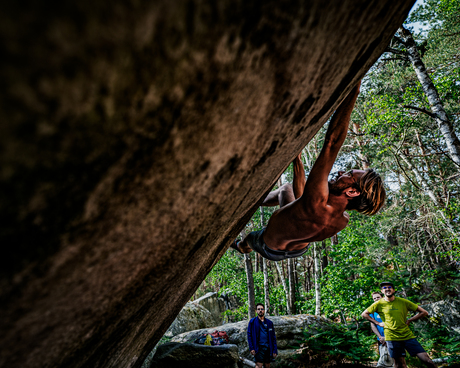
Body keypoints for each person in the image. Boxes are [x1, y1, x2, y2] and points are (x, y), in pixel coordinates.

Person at [231, 82, 386, 261]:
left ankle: (241, 247)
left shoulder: (317, 202)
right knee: (287, 189)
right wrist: (297, 161)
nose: (341, 171)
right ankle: (255, 201)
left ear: (352, 191)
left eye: (349, 174)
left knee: (250, 239)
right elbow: (301, 204)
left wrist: (354, 91)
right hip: (296, 248)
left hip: (269, 246)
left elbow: (332, 142)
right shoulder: (342, 220)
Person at [362, 281, 437, 368]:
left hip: (407, 336)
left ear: (393, 290)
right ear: (382, 291)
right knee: (399, 364)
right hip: (392, 338)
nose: (387, 289)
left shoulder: (403, 302)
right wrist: (378, 323)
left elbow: (424, 312)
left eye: (389, 287)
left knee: (427, 360)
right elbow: (364, 314)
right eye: (384, 288)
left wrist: (409, 320)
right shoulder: (378, 304)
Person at [247, 303, 278, 368]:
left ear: (264, 310)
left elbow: (273, 337)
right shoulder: (252, 322)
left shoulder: (269, 323)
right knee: (258, 366)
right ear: (256, 311)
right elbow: (249, 335)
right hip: (258, 348)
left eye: (262, 309)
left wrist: (274, 350)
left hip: (268, 348)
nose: (260, 310)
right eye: (258, 309)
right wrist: (251, 348)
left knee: (267, 365)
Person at [370, 291, 394, 367]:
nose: (376, 299)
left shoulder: (389, 307)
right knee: (384, 360)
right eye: (374, 298)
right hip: (381, 340)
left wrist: (387, 338)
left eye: (378, 297)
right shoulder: (372, 310)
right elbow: (373, 325)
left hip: (392, 338)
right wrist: (380, 337)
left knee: (394, 362)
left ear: (382, 297)